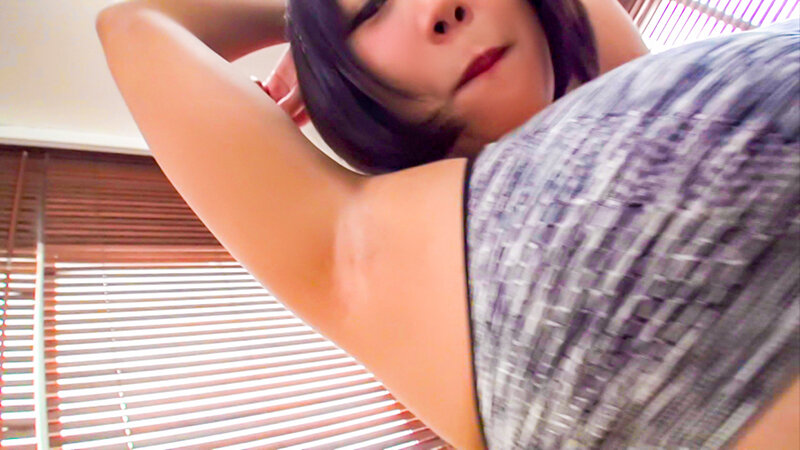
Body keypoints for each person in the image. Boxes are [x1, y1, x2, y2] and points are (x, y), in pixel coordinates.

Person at [95, 1, 799, 448]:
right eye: (374, 9)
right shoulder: (373, 247)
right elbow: (139, 21)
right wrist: (304, 27)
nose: (439, 8)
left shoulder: (642, 81)